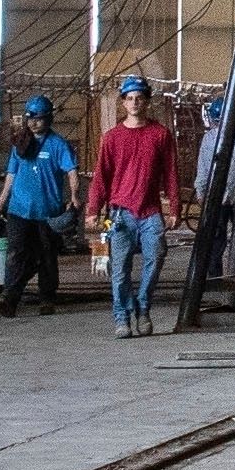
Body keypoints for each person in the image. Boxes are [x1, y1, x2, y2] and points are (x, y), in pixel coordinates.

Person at [92, 75, 182, 336]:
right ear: (123, 103)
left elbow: (171, 174)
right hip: (119, 214)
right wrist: (93, 210)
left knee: (155, 258)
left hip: (151, 213)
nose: (134, 103)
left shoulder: (160, 135)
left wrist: (174, 208)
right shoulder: (112, 138)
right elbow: (101, 176)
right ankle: (122, 318)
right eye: (129, 98)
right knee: (119, 270)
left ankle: (143, 308)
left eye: (139, 98)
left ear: (147, 102)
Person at [0, 94, 79, 316]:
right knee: (16, 253)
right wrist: (1, 201)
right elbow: (11, 174)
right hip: (19, 209)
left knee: (46, 255)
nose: (33, 122)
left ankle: (47, 298)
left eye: (39, 118)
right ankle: (9, 298)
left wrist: (74, 196)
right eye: (30, 118)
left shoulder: (58, 145)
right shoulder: (20, 144)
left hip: (47, 212)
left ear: (49, 119)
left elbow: (71, 171)